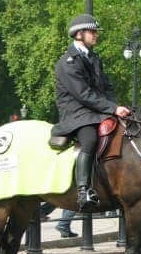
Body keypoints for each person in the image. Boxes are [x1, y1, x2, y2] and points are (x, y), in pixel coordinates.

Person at [51, 13, 131, 211]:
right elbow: (83, 94)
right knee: (90, 139)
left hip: (96, 111)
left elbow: (106, 86)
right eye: (92, 31)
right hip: (76, 113)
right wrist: (112, 108)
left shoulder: (94, 58)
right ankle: (83, 190)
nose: (96, 35)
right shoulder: (67, 62)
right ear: (79, 34)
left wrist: (116, 107)